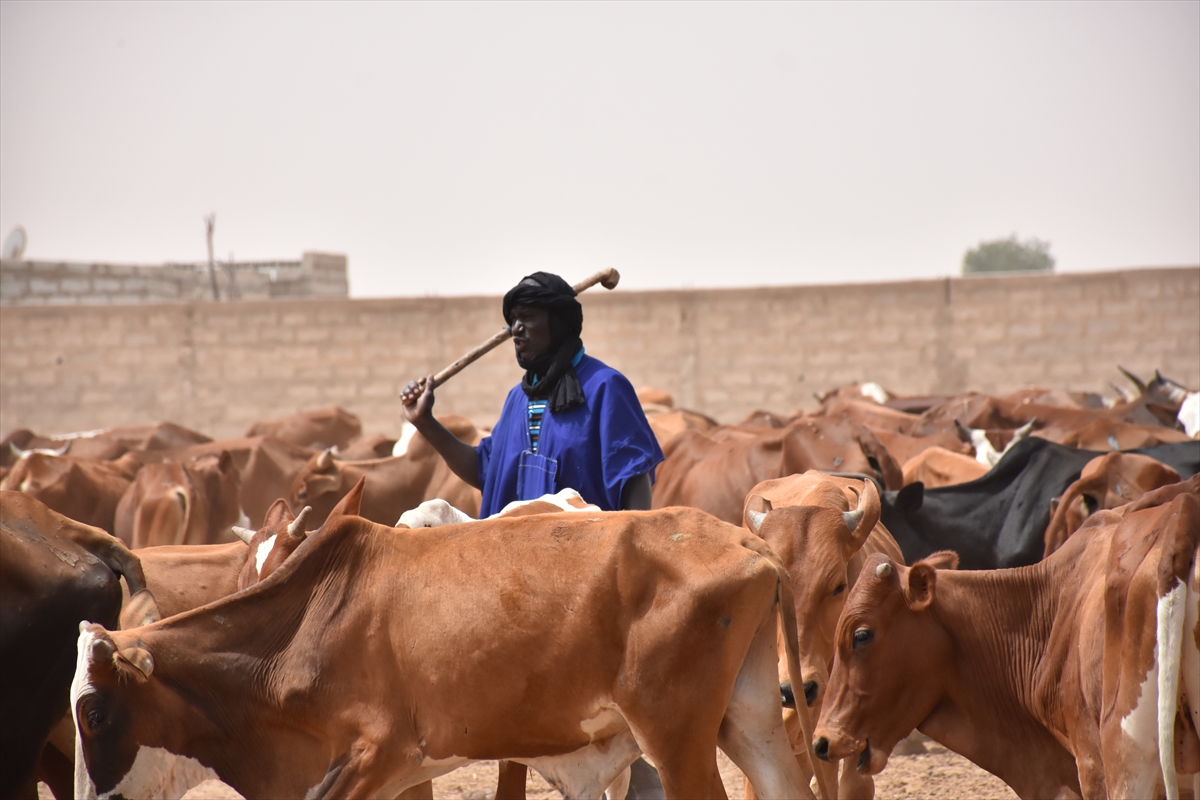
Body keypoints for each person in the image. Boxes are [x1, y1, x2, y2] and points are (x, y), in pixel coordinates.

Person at [400, 271, 664, 515]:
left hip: (588, 559)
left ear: (558, 323)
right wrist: (425, 421)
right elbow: (486, 471)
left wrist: (633, 551)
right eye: (513, 320)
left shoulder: (605, 387)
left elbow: (634, 477)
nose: (516, 329)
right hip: (519, 560)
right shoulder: (518, 399)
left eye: (526, 317)